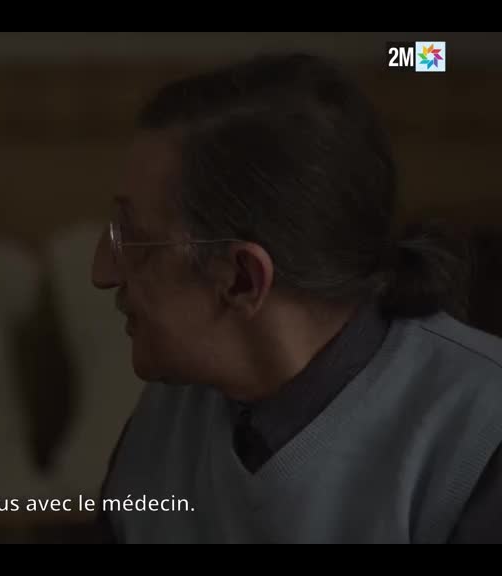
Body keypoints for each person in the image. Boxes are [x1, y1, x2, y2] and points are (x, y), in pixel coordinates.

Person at [91, 52, 502, 543]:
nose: (102, 272)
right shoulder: (168, 418)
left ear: (243, 279)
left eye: (133, 238)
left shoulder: (479, 438)